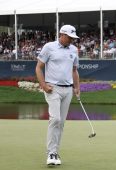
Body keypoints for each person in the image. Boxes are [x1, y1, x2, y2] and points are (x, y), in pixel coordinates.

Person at [35, 25, 80, 165]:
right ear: (61, 34)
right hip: (52, 88)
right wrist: (43, 85)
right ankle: (51, 153)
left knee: (61, 123)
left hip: (67, 90)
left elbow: (74, 70)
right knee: (55, 119)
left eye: (73, 38)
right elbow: (38, 67)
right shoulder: (49, 47)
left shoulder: (74, 50)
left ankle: (55, 151)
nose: (72, 40)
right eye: (69, 37)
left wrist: (77, 86)